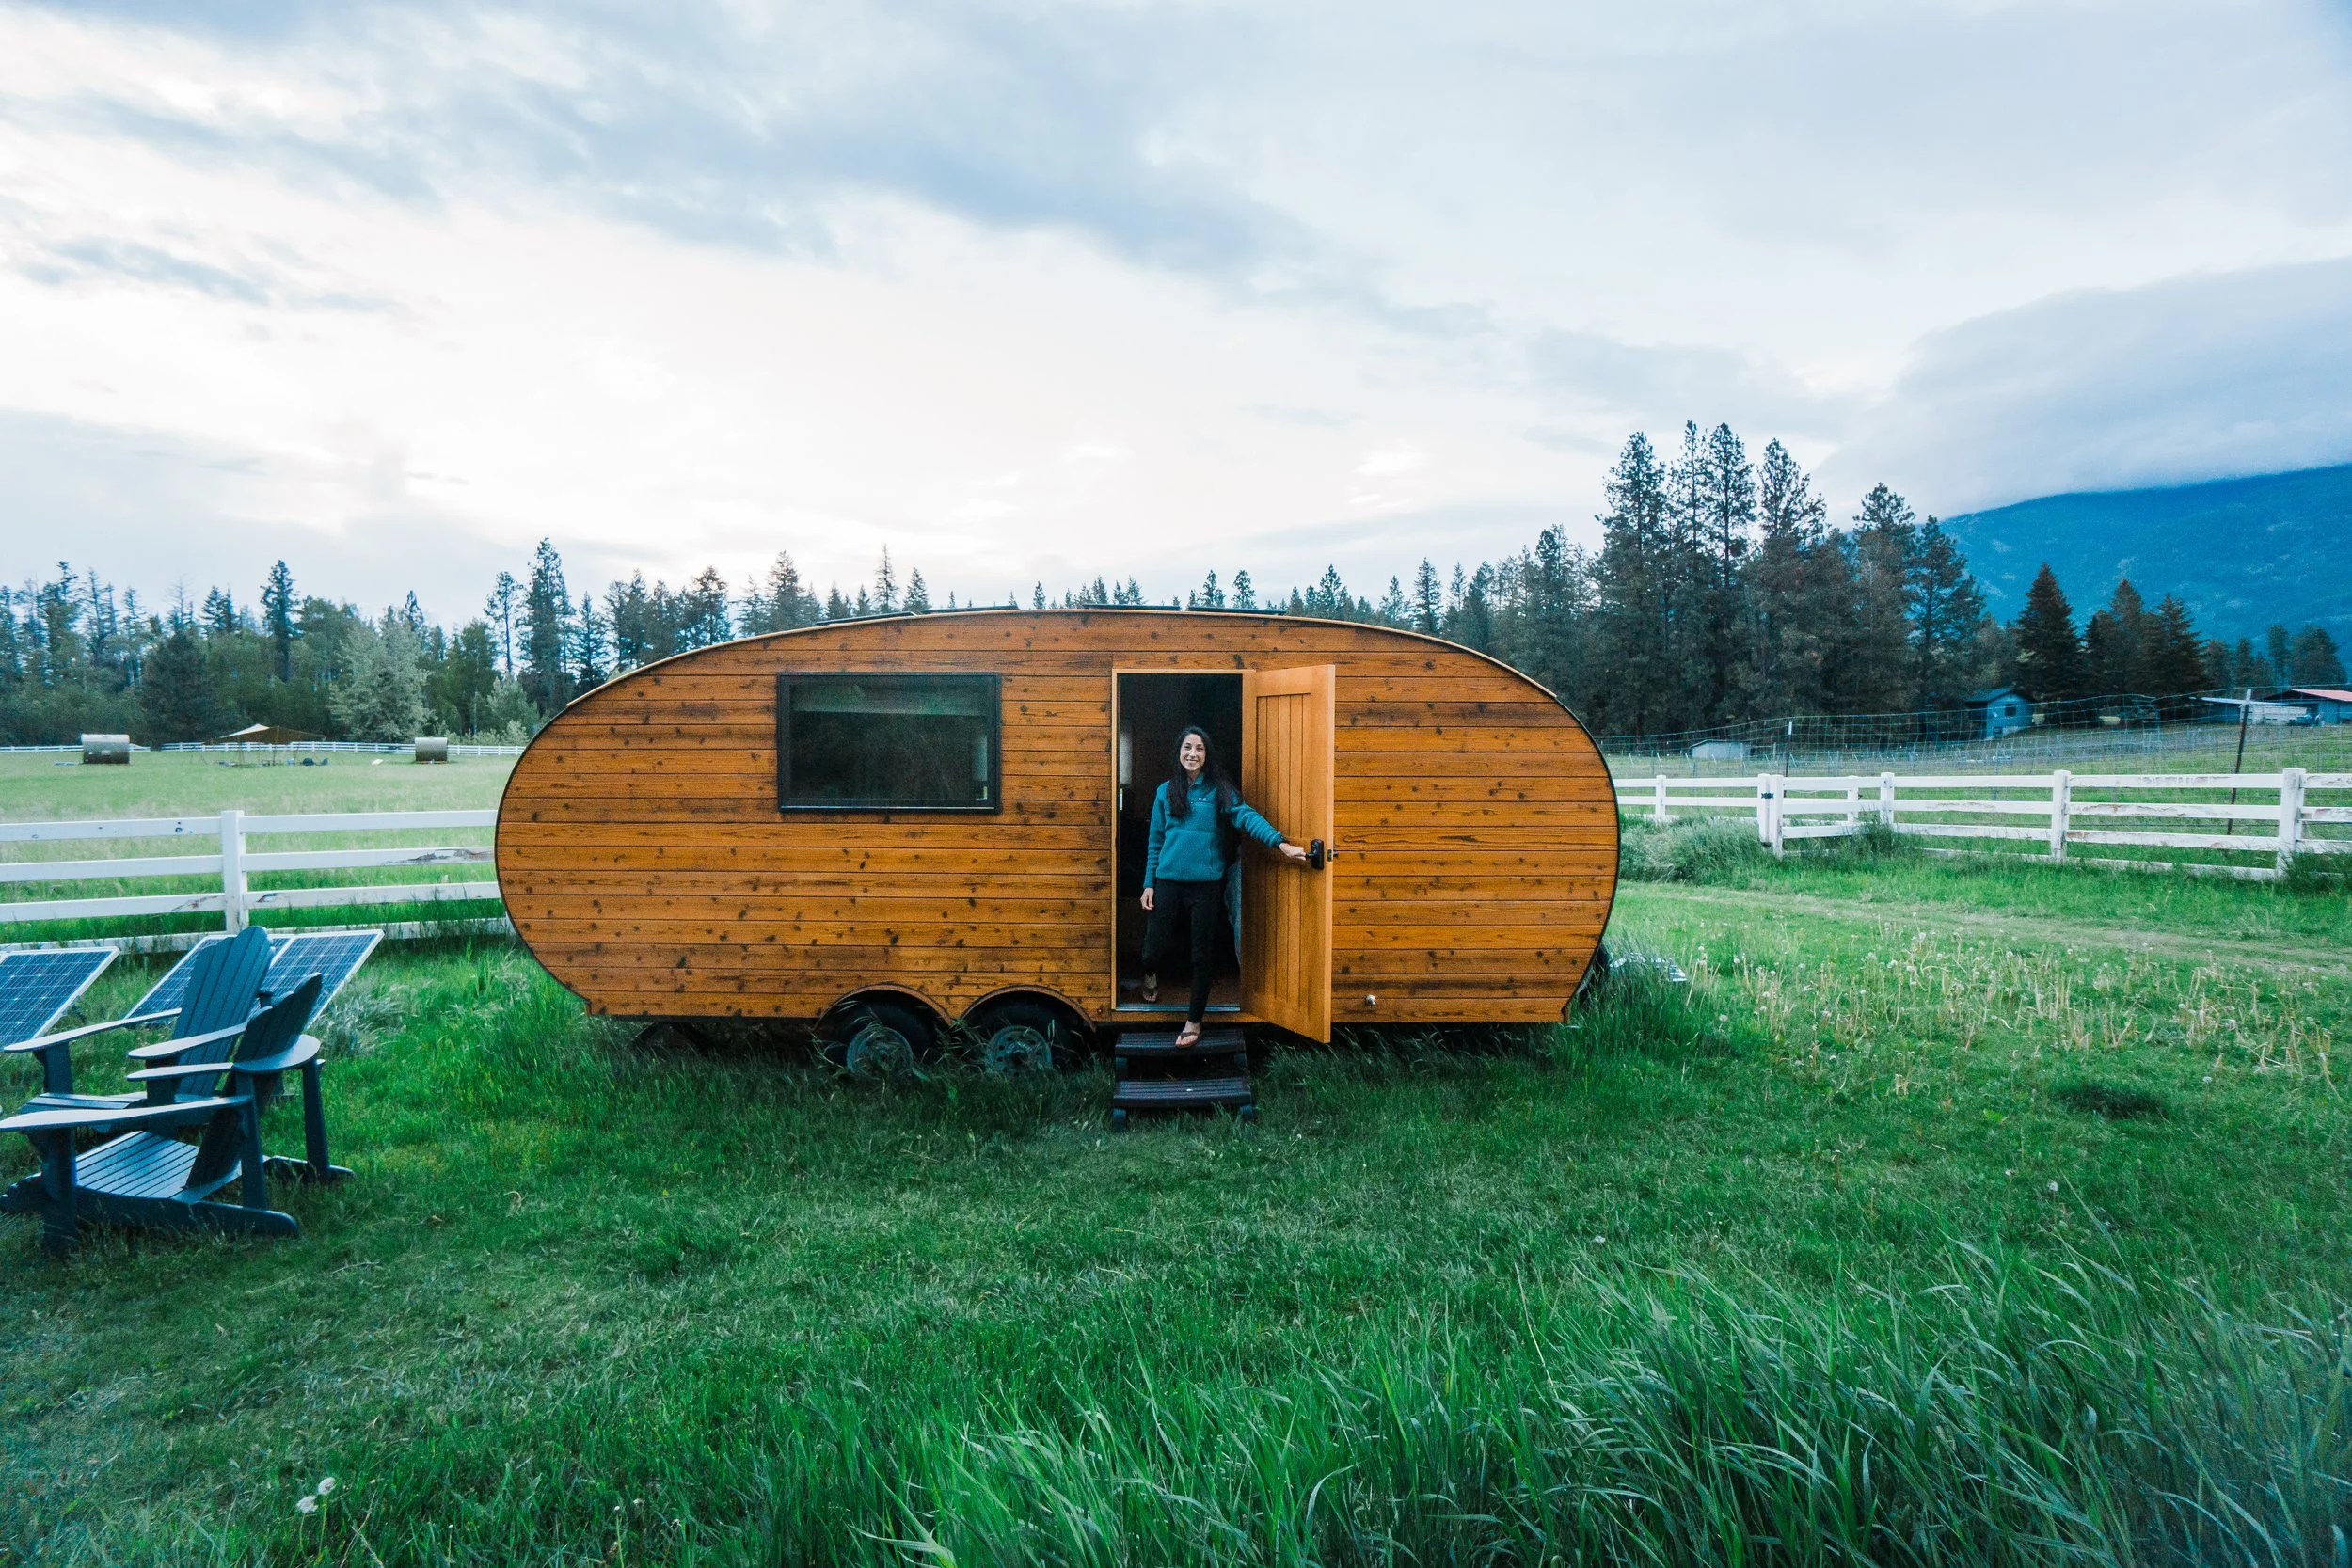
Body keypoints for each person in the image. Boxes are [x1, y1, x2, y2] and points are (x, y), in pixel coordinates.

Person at [1140, 726, 1311, 1046]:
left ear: (1207, 755)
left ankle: (1193, 1023)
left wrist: (1281, 844)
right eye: (1187, 747)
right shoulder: (1165, 791)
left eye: (1199, 749)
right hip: (1167, 882)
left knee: (1201, 956)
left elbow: (1246, 816)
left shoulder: (1219, 790)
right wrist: (1149, 883)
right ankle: (1149, 973)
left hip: (1205, 886)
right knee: (1152, 948)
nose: (1192, 753)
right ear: (1179, 752)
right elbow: (1155, 841)